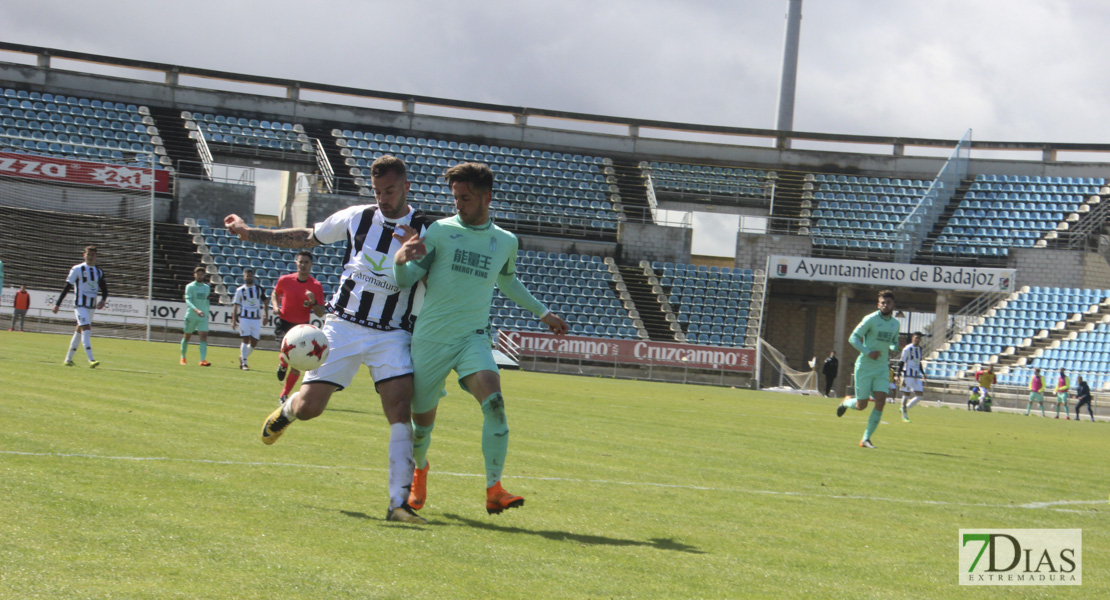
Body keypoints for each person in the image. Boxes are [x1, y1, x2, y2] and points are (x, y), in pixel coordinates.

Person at [226, 154, 433, 524]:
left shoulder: (426, 229)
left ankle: (397, 505)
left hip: (393, 334)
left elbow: (436, 279)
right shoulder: (358, 217)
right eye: (377, 191)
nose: (383, 198)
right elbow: (306, 236)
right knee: (310, 409)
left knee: (401, 412)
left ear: (406, 187)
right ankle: (287, 410)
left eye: (390, 191)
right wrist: (249, 232)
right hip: (344, 326)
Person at [393, 161, 569, 515]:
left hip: (473, 338)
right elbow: (406, 279)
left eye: (466, 197)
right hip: (431, 339)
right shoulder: (439, 232)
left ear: (487, 197)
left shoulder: (505, 241)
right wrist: (400, 260)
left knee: (496, 405)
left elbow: (507, 280)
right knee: (422, 425)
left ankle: (494, 489)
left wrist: (544, 313)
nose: (458, 203)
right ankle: (420, 473)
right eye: (456, 197)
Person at [835, 289, 899, 448]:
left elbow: (894, 343)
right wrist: (868, 352)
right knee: (861, 406)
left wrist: (896, 346)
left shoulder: (895, 324)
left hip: (882, 368)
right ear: (878, 304)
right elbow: (853, 338)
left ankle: (865, 439)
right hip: (865, 367)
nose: (885, 305)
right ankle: (847, 402)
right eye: (882, 303)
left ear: (893, 305)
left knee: (881, 400)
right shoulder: (870, 319)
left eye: (888, 303)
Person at [272, 250, 326, 403]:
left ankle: (283, 395)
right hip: (284, 324)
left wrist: (313, 301)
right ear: (296, 263)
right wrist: (276, 306)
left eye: (306, 262)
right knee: (285, 355)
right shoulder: (285, 280)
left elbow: (320, 312)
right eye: (300, 262)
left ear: (311, 265)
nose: (303, 265)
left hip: (301, 330)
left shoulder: (316, 286)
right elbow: (275, 293)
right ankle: (283, 363)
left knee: (296, 364)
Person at [52, 245, 108, 368]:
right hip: (80, 305)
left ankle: (68, 359)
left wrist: (103, 300)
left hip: (91, 307)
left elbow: (104, 289)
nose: (91, 257)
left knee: (79, 331)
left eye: (93, 255)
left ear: (96, 257)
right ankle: (91, 359)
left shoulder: (99, 271)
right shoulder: (77, 269)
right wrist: (57, 304)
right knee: (86, 330)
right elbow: (67, 287)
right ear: (84, 255)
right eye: (89, 254)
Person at [231, 267, 269, 371]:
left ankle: (243, 357)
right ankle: (244, 363)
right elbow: (236, 305)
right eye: (247, 276)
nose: (249, 277)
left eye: (251, 276)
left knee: (254, 342)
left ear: (253, 277)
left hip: (256, 318)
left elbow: (265, 301)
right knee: (245, 339)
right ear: (244, 277)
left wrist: (266, 315)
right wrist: (233, 319)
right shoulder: (240, 290)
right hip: (245, 318)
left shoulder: (259, 289)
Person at [180, 266, 212, 366]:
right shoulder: (190, 286)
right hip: (191, 315)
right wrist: (196, 310)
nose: (200, 276)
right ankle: (183, 357)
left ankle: (202, 360)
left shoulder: (207, 288)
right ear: (195, 275)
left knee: (203, 337)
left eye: (202, 274)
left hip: (203, 316)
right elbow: (188, 300)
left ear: (204, 276)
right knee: (187, 336)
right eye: (198, 274)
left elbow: (206, 301)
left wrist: (207, 312)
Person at [897, 332, 927, 422]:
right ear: (912, 338)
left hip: (916, 375)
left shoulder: (920, 349)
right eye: (916, 338)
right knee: (906, 394)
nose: (917, 339)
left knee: (920, 396)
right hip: (908, 374)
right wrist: (898, 374)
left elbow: (919, 361)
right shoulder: (907, 349)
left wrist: (923, 373)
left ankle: (905, 408)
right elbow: (902, 362)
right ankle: (904, 416)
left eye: (919, 338)